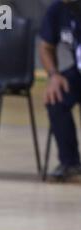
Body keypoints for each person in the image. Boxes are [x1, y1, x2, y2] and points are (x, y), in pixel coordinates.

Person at [39, 0, 81, 181]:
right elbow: (45, 47)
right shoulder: (57, 10)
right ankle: (70, 164)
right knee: (55, 96)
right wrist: (54, 75)